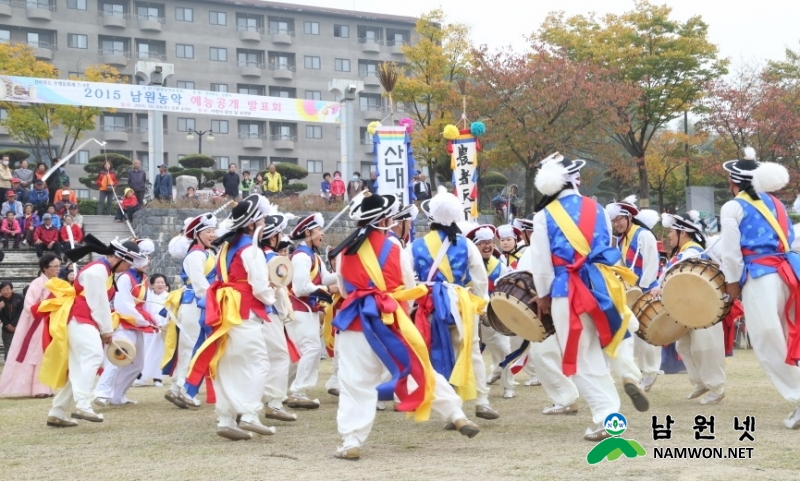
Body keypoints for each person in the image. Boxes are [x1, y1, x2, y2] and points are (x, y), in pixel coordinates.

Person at [329, 193, 480, 460]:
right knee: (420, 367)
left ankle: (352, 439)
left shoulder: (344, 249)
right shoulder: (395, 246)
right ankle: (456, 414)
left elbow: (342, 289)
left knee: (354, 382)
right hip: (389, 319)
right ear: (385, 219)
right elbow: (409, 287)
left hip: (354, 321)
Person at [529, 153, 646, 441]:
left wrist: (542, 295)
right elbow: (604, 246)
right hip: (600, 284)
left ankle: (608, 418)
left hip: (566, 290)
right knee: (609, 338)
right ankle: (629, 375)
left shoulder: (544, 216)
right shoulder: (598, 209)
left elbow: (541, 261)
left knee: (581, 358)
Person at [718, 147, 800, 429]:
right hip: (787, 273)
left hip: (760, 275)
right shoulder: (776, 204)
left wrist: (732, 285)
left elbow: (730, 251)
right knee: (788, 334)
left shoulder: (733, 206)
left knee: (767, 340)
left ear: (734, 183)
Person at [186, 194, 278, 440]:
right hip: (244, 310)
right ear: (251, 223)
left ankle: (226, 418)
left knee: (227, 364)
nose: (264, 223)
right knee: (258, 362)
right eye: (262, 219)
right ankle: (249, 413)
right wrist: (273, 297)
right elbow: (259, 286)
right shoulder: (252, 249)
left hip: (226, 312)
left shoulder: (226, 247)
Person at [409, 186, 500, 422]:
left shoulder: (415, 246)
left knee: (436, 352)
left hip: (429, 305)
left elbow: (407, 279)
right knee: (471, 351)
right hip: (461, 304)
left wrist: (410, 308)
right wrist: (482, 305)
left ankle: (452, 411)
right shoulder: (466, 244)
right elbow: (480, 279)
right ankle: (482, 400)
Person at [38, 237, 144, 427]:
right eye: (129, 262)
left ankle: (58, 411)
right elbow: (99, 303)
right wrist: (107, 330)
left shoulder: (104, 271)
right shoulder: (98, 271)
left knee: (81, 365)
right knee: (92, 356)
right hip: (80, 317)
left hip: (83, 319)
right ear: (119, 257)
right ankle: (83, 404)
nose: (129, 268)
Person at [652, 212, 726, 405]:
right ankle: (701, 382)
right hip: (690, 308)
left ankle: (716, 388)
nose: (668, 235)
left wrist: (662, 287)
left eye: (671, 231)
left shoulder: (693, 252)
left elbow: (684, 279)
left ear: (682, 232)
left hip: (703, 307)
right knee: (684, 345)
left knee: (705, 347)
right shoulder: (684, 252)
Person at [163, 212, 218, 409]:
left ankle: (178, 389)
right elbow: (200, 285)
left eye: (214, 231)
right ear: (197, 234)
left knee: (191, 347)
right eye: (208, 231)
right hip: (196, 303)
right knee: (192, 347)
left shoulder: (206, 253)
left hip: (199, 303)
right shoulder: (195, 255)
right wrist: (215, 302)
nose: (213, 234)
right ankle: (185, 390)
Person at [606, 196, 661, 392]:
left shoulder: (644, 235)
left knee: (647, 334)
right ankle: (638, 371)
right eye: (613, 221)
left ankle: (650, 372)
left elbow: (651, 264)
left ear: (629, 217)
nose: (616, 224)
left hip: (644, 291)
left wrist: (642, 288)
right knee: (631, 334)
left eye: (619, 219)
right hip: (628, 291)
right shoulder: (621, 240)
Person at [94, 239, 157, 407]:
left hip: (138, 323)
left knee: (137, 364)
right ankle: (101, 393)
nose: (146, 260)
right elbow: (124, 304)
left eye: (148, 257)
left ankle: (117, 395)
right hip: (125, 323)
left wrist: (152, 320)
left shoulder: (142, 278)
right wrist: (143, 320)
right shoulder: (125, 278)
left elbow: (147, 303)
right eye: (143, 257)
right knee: (118, 358)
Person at [286, 212, 338, 409]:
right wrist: (326, 290)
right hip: (300, 310)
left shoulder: (312, 255)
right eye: (318, 230)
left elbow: (325, 278)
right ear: (308, 232)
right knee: (312, 349)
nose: (322, 234)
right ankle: (298, 391)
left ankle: (281, 391)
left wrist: (344, 274)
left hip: (306, 310)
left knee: (297, 353)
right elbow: (300, 288)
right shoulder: (301, 256)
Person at [465, 224, 515, 399]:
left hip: (493, 316)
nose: (487, 246)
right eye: (482, 243)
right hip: (470, 314)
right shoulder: (465, 266)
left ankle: (508, 385)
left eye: (490, 243)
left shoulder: (499, 266)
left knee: (504, 349)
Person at [258, 212, 299, 422]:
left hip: (249, 313)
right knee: (279, 356)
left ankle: (248, 405)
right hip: (267, 312)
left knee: (258, 358)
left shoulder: (252, 255)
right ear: (273, 237)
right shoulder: (273, 259)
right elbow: (279, 286)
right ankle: (273, 402)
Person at [0, 254, 59, 397]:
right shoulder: (38, 283)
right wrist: (46, 306)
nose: (58, 269)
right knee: (38, 354)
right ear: (46, 268)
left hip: (51, 323)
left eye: (59, 266)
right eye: (55, 266)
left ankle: (47, 386)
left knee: (48, 354)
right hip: (37, 324)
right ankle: (39, 388)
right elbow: (29, 306)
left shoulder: (56, 283)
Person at [135, 273, 169, 387]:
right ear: (152, 285)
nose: (160, 284)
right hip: (149, 329)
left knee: (159, 354)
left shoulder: (169, 297)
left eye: (162, 282)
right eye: (158, 282)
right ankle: (141, 377)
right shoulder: (148, 297)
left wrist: (163, 325)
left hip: (162, 330)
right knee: (145, 353)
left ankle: (157, 378)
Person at [0, 281, 24, 361]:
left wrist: (14, 324)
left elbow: (21, 312)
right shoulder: (0, 300)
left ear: (12, 289)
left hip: (19, 328)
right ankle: (7, 368)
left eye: (7, 289)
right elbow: (1, 315)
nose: (5, 292)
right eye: (3, 290)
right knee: (8, 350)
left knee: (19, 349)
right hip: (6, 330)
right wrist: (7, 324)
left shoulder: (20, 298)